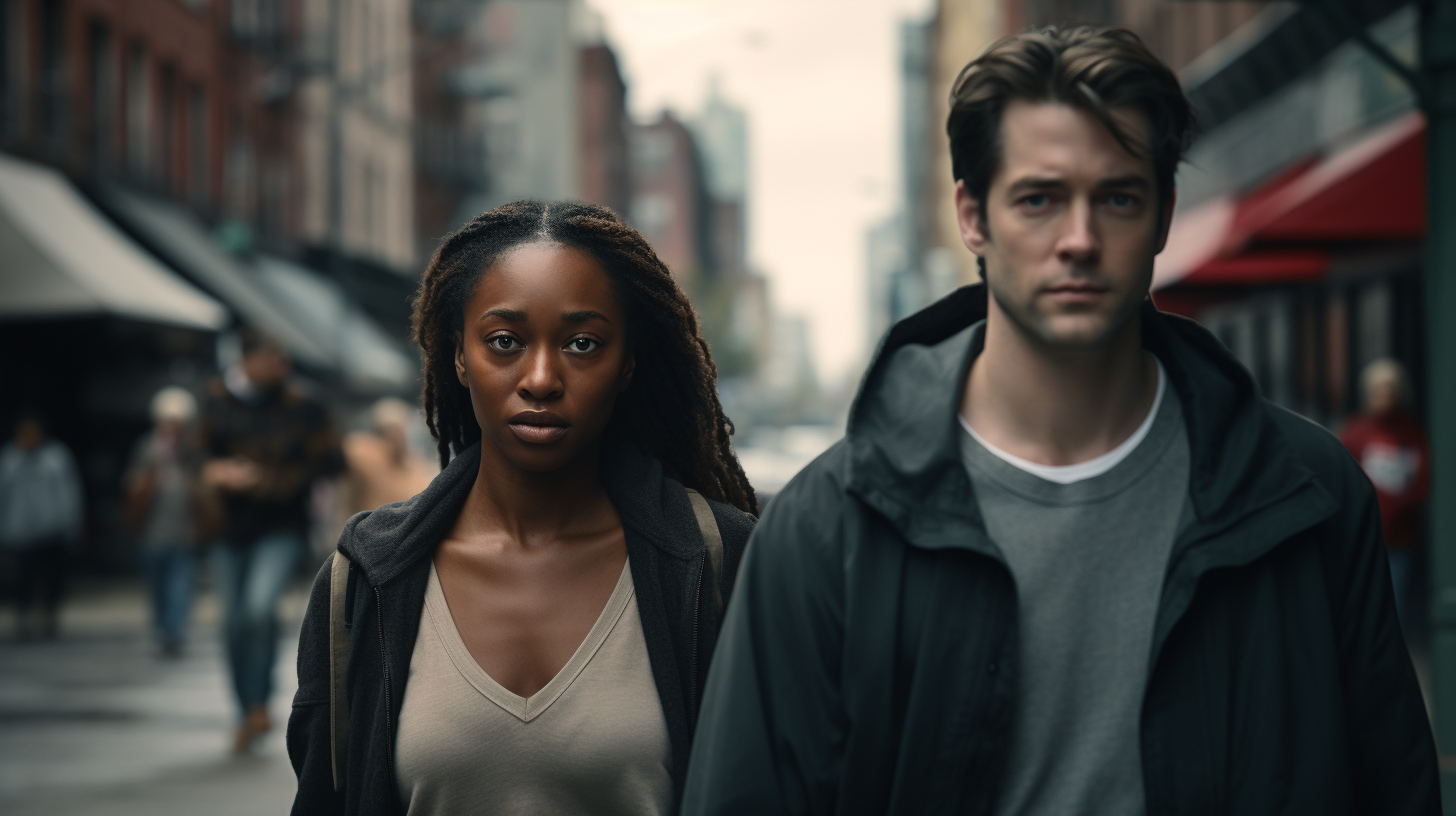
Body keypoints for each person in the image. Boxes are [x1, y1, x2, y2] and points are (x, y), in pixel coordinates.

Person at [682, 26, 1437, 815]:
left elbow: (1392, 787)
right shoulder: (825, 528)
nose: (1079, 241)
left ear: (1164, 214)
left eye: (1117, 197)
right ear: (972, 217)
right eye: (1039, 199)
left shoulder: (1304, 494)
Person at [287, 201, 758, 815]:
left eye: (583, 344)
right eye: (504, 341)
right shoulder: (368, 578)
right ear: (459, 356)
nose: (540, 378)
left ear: (628, 365)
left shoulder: (719, 563)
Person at [199, 328, 344, 752]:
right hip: (227, 526)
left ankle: (260, 702)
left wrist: (265, 481)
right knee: (232, 621)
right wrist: (216, 473)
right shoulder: (215, 398)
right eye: (273, 358)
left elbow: (331, 459)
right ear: (247, 361)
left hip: (281, 525)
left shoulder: (304, 403)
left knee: (259, 610)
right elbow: (196, 453)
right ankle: (247, 709)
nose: (283, 367)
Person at [1340, 358, 1430, 632]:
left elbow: (1423, 480)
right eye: (1379, 388)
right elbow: (1341, 479)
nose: (1385, 395)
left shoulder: (1411, 431)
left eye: (1390, 388)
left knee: (1396, 602)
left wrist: (1402, 506)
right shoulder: (1355, 432)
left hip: (1400, 538)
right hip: (1363, 535)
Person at [124, 387, 208, 657]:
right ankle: (163, 628)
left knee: (180, 585)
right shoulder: (146, 448)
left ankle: (174, 632)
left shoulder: (193, 451)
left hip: (183, 532)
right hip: (151, 531)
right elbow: (131, 486)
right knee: (158, 586)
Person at [0, 412, 83, 640]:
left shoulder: (56, 458)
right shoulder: (10, 459)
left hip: (51, 528)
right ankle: (23, 616)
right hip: (20, 531)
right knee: (23, 577)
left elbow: (69, 492)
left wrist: (70, 522)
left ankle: (49, 615)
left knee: (53, 576)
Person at [340, 397, 437, 518]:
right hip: (366, 524)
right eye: (392, 429)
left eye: (401, 429)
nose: (398, 435)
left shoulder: (412, 463)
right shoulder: (360, 450)